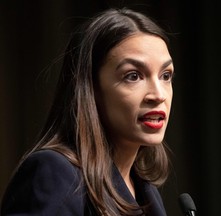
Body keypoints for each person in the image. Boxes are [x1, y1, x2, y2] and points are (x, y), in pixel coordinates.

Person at [1, 7, 174, 216]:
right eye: (133, 76)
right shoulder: (55, 173)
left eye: (165, 75)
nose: (158, 95)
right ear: (91, 89)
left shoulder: (147, 192)